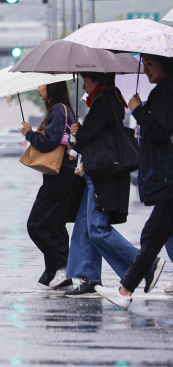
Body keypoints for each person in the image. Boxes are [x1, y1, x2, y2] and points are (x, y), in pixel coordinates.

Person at [97, 54, 173, 309]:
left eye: (151, 64)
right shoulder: (165, 90)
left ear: (164, 65)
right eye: (145, 64)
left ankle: (124, 291)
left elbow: (160, 131)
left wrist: (138, 110)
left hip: (168, 177)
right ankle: (125, 290)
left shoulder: (165, 92)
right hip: (168, 177)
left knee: (151, 236)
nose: (146, 69)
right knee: (153, 236)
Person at [65, 72, 139, 299]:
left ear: (96, 79)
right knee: (84, 226)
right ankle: (89, 278)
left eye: (85, 80)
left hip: (100, 170)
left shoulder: (103, 101)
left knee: (96, 228)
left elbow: (86, 138)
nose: (83, 86)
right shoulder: (111, 99)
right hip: (98, 169)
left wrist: (76, 135)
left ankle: (142, 265)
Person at [20, 82, 77, 290]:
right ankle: (56, 274)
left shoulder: (58, 110)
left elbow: (49, 142)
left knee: (36, 224)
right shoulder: (63, 109)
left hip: (59, 175)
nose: (37, 89)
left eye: (40, 85)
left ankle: (63, 265)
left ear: (52, 86)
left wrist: (29, 133)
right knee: (54, 225)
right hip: (64, 173)